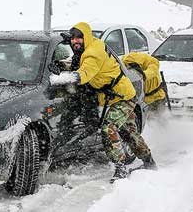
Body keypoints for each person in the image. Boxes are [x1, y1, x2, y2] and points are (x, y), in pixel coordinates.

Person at [50, 22, 157, 181]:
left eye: (79, 37)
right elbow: (79, 64)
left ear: (86, 37)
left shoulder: (93, 53)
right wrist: (62, 64)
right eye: (73, 38)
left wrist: (58, 79)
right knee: (128, 133)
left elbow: (84, 73)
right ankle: (149, 162)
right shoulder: (89, 47)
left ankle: (120, 169)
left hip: (122, 97)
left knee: (109, 128)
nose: (75, 41)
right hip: (118, 96)